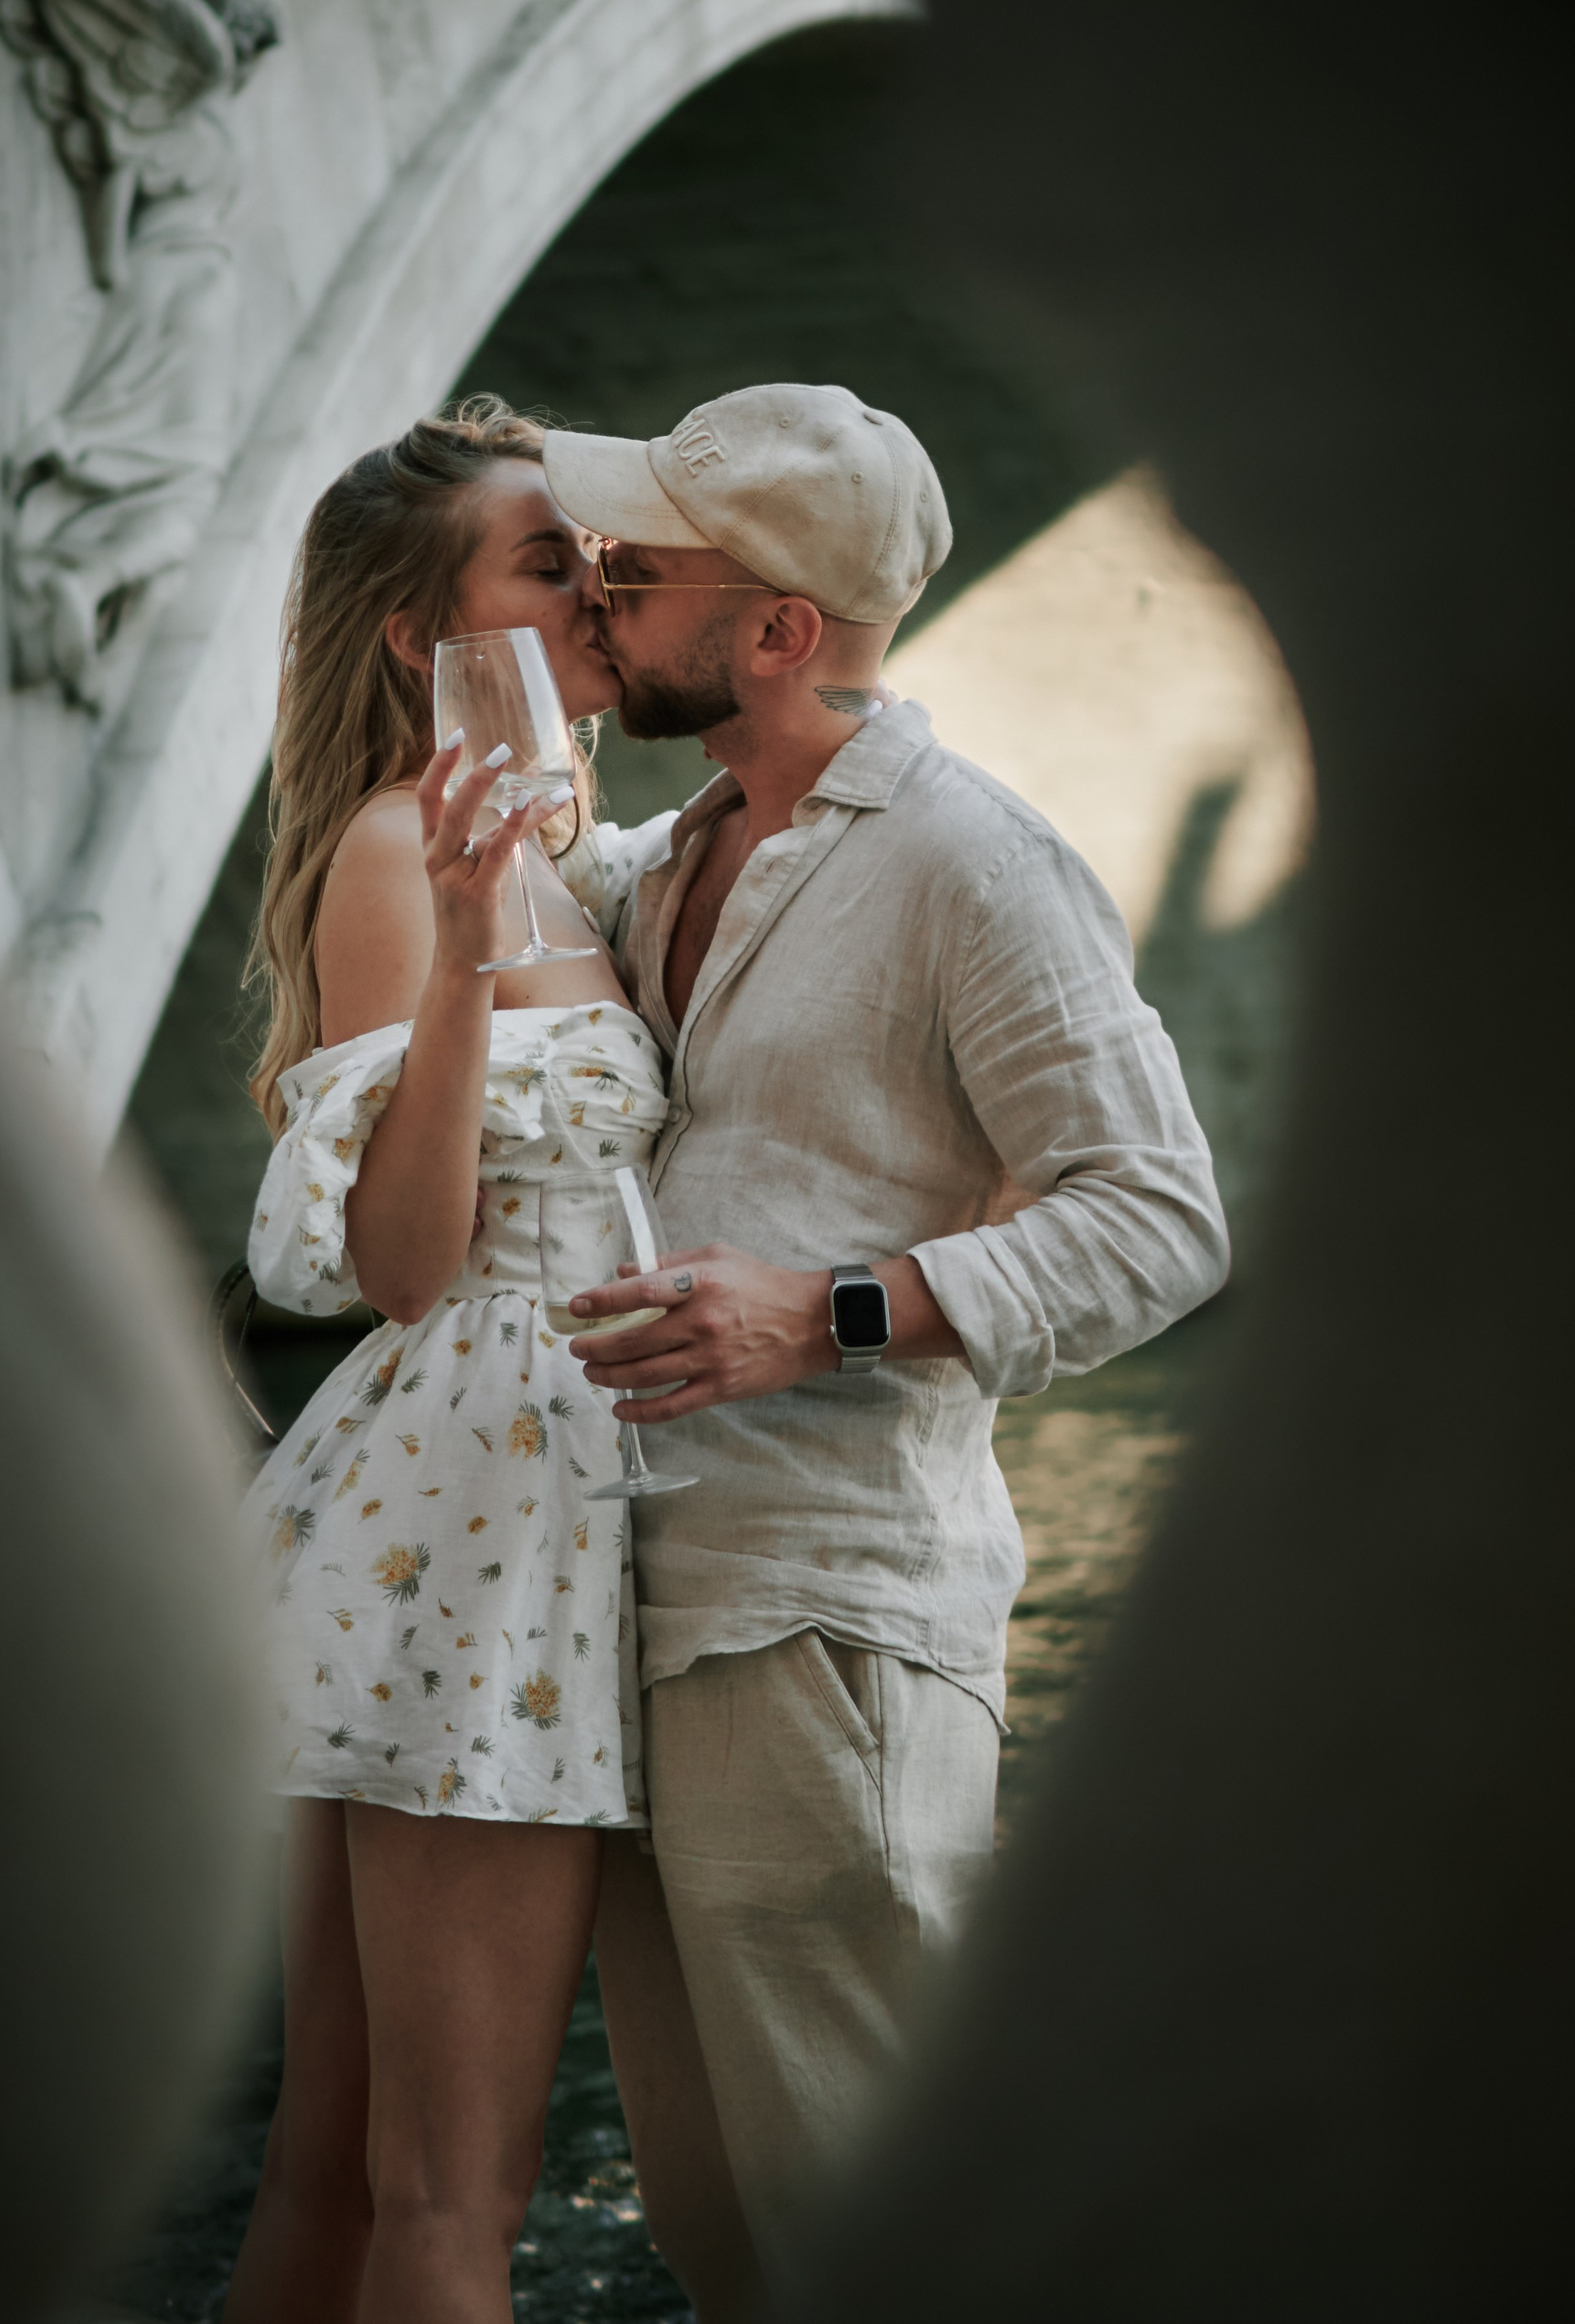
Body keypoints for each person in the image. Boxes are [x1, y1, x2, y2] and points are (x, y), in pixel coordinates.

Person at [542, 383, 1232, 2308]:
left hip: (833, 1632)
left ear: (776, 632)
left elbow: (1161, 1213)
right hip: (643, 1618)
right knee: (733, 2253)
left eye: (643, 563)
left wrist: (833, 1308)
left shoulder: (972, 862)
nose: (600, 585)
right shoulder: (670, 852)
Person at [224, 398, 684, 2324]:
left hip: (491, 1501)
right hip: (476, 1521)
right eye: (545, 560)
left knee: (333, 2182)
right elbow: (398, 1267)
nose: (593, 583)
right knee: (451, 2199)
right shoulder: (404, 861)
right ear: (428, 635)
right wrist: (474, 961)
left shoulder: (581, 851)